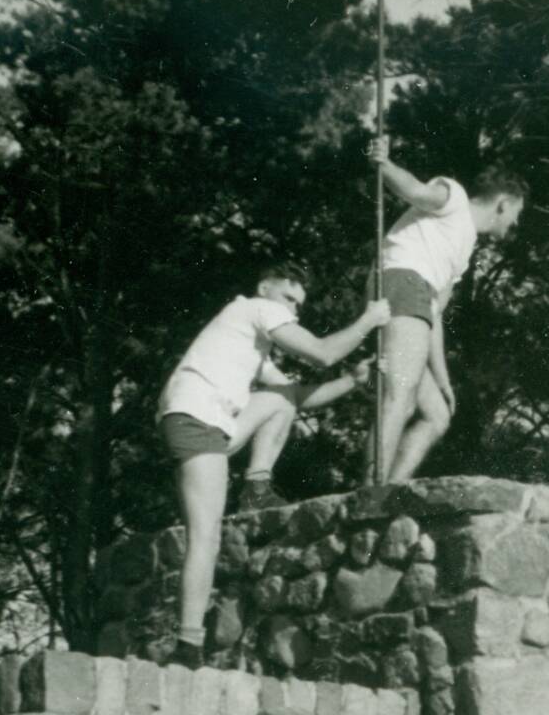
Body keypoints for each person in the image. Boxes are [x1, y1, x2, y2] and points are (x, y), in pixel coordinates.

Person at [156, 264, 389, 666]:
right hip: (195, 418)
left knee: (280, 399)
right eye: (288, 298)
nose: (293, 312)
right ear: (264, 288)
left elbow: (296, 397)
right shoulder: (253, 309)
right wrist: (369, 320)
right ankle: (188, 644)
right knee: (206, 535)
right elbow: (321, 352)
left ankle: (256, 487)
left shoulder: (248, 343)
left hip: (209, 420)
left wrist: (354, 379)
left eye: (299, 306)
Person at [368, 136, 528, 485]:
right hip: (401, 278)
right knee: (399, 391)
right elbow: (414, 191)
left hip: (418, 298)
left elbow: (433, 316)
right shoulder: (454, 198)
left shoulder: (464, 248)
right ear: (503, 204)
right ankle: (370, 490)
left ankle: (391, 488)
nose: (512, 228)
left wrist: (443, 380)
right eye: (515, 218)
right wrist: (385, 163)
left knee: (436, 414)